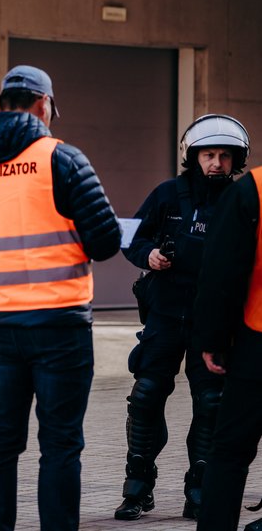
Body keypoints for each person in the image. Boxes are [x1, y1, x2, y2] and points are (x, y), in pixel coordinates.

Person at [0, 65, 121, 531]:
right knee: (60, 443)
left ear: (3, 104)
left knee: (0, 439)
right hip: (60, 324)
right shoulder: (61, 159)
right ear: (44, 105)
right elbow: (104, 243)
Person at [113, 114, 250, 521]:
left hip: (217, 323)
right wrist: (148, 256)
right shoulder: (167, 194)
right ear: (193, 155)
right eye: (209, 154)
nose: (217, 163)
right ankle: (138, 488)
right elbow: (129, 235)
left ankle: (200, 490)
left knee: (211, 403)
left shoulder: (243, 198)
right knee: (146, 396)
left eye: (226, 156)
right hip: (166, 314)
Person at [192, 160, 262, 531]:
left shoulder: (254, 189)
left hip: (257, 345)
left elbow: (221, 271)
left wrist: (214, 341)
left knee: (230, 453)